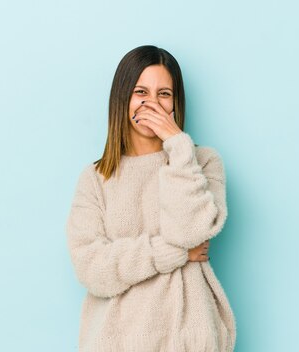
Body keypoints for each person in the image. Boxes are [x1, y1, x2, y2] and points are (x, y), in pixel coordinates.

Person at [65, 45, 236, 351]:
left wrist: (178, 146)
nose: (152, 103)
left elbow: (189, 231)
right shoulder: (95, 179)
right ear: (123, 98)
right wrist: (177, 252)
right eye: (140, 92)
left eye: (164, 94)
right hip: (118, 341)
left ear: (176, 103)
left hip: (190, 339)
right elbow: (92, 268)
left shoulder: (203, 162)